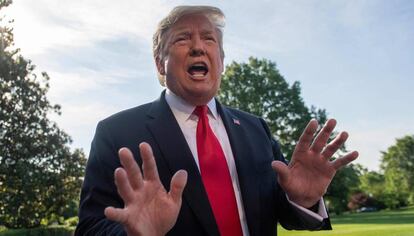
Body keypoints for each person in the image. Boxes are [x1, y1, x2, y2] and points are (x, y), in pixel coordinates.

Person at [75, 5, 359, 236]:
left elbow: (283, 216)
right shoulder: (116, 132)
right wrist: (133, 234)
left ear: (221, 61)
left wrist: (302, 200)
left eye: (209, 39)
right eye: (183, 38)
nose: (198, 47)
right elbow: (90, 228)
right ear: (160, 63)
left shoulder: (256, 129)